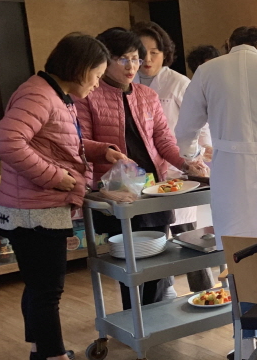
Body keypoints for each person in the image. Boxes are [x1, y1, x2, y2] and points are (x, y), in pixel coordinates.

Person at [0, 33, 127, 360]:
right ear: (79, 68)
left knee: (38, 287)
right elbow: (5, 141)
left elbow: (57, 142)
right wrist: (55, 177)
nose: (97, 83)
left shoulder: (53, 95)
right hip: (35, 210)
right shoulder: (39, 95)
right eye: (96, 75)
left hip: (32, 208)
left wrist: (100, 150)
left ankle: (41, 351)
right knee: (47, 290)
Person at [77, 27, 204, 309]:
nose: (132, 66)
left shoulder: (147, 95)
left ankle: (155, 317)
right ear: (104, 60)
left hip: (153, 188)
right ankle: (136, 317)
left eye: (135, 59)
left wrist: (185, 163)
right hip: (116, 190)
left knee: (158, 255)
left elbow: (164, 140)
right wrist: (106, 154)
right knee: (129, 262)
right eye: (123, 59)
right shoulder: (88, 97)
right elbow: (80, 142)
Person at [174, 26, 257, 240]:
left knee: (235, 242)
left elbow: (186, 129)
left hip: (230, 172)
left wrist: (193, 154)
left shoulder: (207, 71)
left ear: (229, 44)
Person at [132, 21, 213, 293]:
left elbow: (201, 123)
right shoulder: (129, 84)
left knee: (188, 235)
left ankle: (205, 291)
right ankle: (164, 292)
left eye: (154, 53)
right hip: (146, 174)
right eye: (141, 53)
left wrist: (200, 152)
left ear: (165, 54)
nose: (147, 59)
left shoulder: (179, 83)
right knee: (155, 239)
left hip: (180, 169)